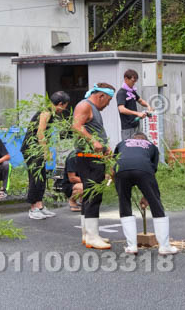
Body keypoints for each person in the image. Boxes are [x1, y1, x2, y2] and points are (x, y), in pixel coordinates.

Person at [114, 132, 177, 255]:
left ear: (132, 139)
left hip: (121, 170)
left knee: (124, 203)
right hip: (143, 169)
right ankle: (164, 247)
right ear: (145, 140)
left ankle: (131, 246)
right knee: (156, 204)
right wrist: (148, 196)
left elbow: (114, 163)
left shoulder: (122, 143)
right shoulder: (151, 146)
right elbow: (150, 171)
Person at [71, 82, 116, 250]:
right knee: (93, 195)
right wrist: (93, 141)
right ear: (101, 96)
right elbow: (75, 126)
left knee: (91, 194)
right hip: (89, 157)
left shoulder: (92, 108)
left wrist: (105, 147)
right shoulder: (85, 105)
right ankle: (92, 236)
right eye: (109, 100)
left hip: (94, 156)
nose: (108, 104)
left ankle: (88, 233)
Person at [22, 90, 71, 219]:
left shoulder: (51, 112)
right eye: (65, 106)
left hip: (37, 148)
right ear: (60, 103)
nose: (64, 109)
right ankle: (33, 209)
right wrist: (45, 150)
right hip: (32, 149)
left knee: (42, 177)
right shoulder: (46, 112)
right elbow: (40, 133)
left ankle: (40, 206)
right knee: (36, 178)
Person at [116, 69, 154, 141]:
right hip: (127, 127)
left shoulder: (132, 91)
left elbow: (140, 100)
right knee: (129, 148)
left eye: (135, 81)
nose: (134, 83)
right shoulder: (121, 93)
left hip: (136, 124)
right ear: (126, 79)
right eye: (133, 81)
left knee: (137, 145)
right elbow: (121, 109)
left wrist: (148, 106)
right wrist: (137, 113)